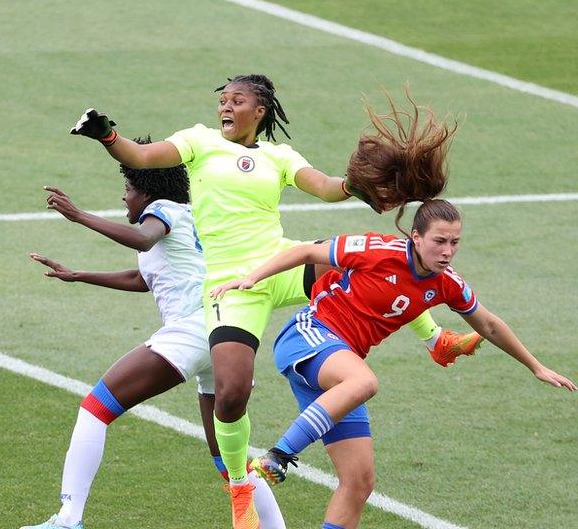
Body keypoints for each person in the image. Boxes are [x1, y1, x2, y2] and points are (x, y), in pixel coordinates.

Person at [70, 76, 469, 528]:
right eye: (223, 100)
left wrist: (365, 186)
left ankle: (435, 339)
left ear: (259, 110)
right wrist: (107, 135)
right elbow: (140, 156)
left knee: (372, 263)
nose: (226, 106)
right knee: (232, 393)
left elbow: (326, 187)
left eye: (236, 100)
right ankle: (240, 486)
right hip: (232, 285)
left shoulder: (279, 157)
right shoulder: (197, 141)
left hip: (280, 263)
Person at [209, 97, 576, 529]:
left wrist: (535, 366)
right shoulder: (376, 250)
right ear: (416, 237)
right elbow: (308, 250)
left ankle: (289, 454)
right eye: (440, 241)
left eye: (455, 242)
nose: (448, 251)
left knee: (359, 480)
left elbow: (490, 324)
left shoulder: (446, 283)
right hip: (310, 336)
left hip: (337, 370)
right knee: (365, 380)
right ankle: (276, 457)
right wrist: (251, 278)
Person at [22, 152, 285, 529]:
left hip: (192, 330)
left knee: (96, 408)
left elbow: (144, 241)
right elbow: (143, 278)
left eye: (128, 189)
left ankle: (68, 519)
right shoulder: (191, 217)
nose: (124, 198)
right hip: (223, 337)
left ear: (147, 193)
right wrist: (78, 275)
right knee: (230, 461)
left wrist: (79, 216)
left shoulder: (163, 210)